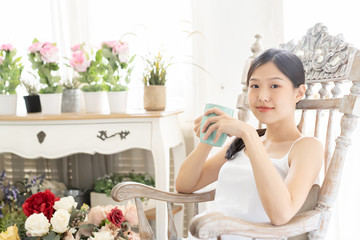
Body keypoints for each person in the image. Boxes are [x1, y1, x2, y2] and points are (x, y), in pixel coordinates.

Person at [176, 48, 324, 240]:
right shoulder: (243, 143)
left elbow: (281, 214)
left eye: (274, 86)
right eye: (254, 86)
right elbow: (185, 185)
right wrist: (208, 137)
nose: (262, 96)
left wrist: (248, 134)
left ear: (299, 92)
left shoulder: (306, 147)